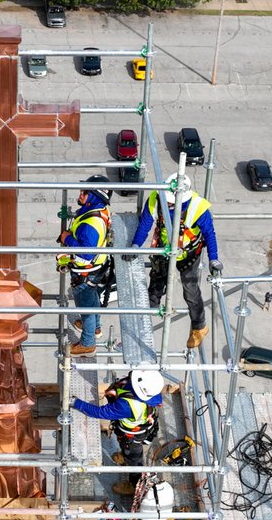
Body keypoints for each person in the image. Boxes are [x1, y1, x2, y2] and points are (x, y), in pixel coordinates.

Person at [126, 173, 221, 349]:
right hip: (165, 250)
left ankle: (199, 326)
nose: (168, 203)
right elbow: (145, 224)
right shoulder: (157, 197)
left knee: (190, 290)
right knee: (156, 283)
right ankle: (144, 316)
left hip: (188, 254)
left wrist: (214, 259)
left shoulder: (197, 207)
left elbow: (210, 234)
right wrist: (135, 245)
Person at [71, 369, 165, 497]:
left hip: (132, 438)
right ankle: (125, 456)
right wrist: (116, 393)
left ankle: (134, 484)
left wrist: (77, 403)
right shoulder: (149, 392)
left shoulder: (127, 406)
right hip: (132, 432)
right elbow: (127, 388)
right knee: (127, 449)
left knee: (134, 460)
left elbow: (99, 412)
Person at [57, 175, 113, 355]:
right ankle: (95, 328)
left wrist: (67, 239)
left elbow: (86, 253)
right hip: (97, 268)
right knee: (93, 298)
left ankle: (88, 343)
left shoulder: (90, 224)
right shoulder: (99, 209)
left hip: (85, 271)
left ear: (94, 197)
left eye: (85, 193)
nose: (80, 195)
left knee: (86, 307)